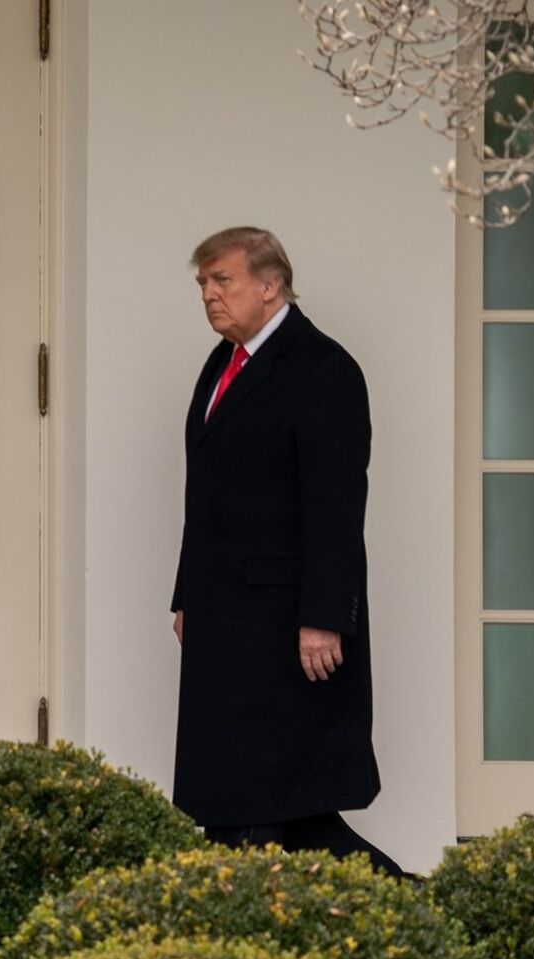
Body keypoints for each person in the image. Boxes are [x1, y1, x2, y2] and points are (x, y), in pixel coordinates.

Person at [170, 226, 402, 876]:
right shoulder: (222, 364)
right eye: (203, 284)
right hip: (224, 620)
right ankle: (404, 903)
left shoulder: (323, 370)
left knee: (267, 803)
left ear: (270, 285)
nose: (210, 295)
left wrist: (325, 617)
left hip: (283, 625)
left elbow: (336, 506)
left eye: (223, 281)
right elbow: (205, 494)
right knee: (259, 804)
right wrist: (188, 595)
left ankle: (403, 904)